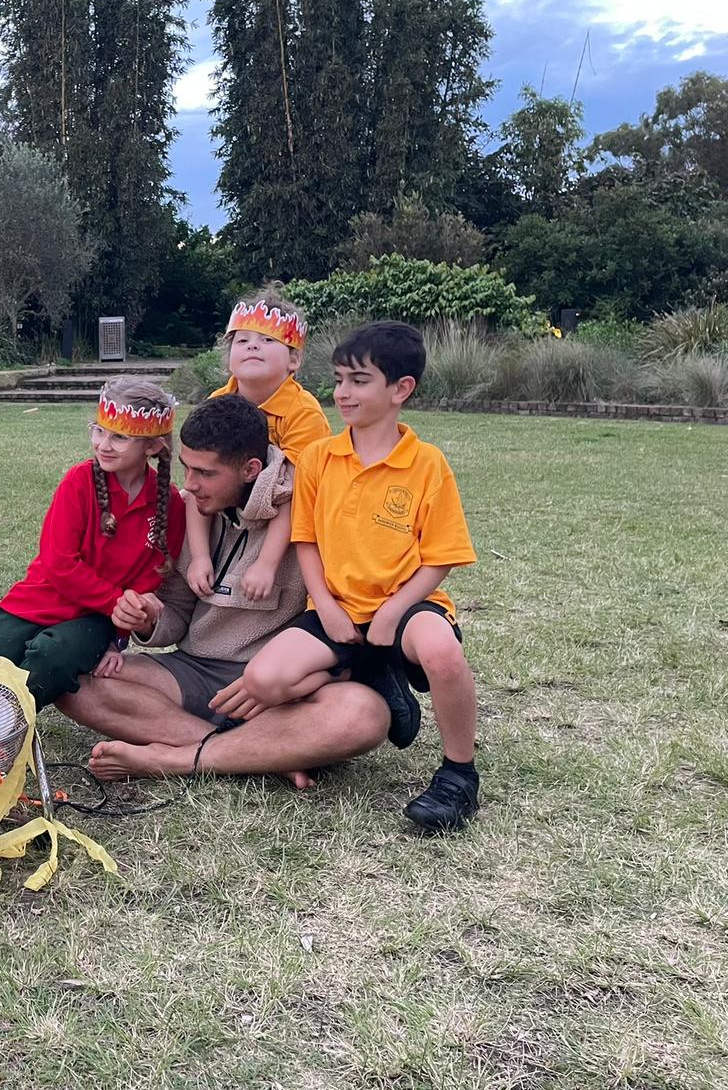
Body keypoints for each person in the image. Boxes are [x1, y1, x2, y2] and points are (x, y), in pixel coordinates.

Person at [62, 395, 399, 785]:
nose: (190, 485)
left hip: (278, 687)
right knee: (73, 683)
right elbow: (176, 612)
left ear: (250, 469)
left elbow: (346, 616)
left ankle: (173, 759)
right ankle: (257, 753)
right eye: (187, 468)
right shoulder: (188, 510)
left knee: (364, 714)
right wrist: (150, 620)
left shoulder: (310, 509)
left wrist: (299, 679)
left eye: (205, 473)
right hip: (194, 671)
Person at [229, 321, 481, 831]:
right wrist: (324, 605)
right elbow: (305, 540)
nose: (342, 392)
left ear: (400, 389)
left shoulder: (427, 464)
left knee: (441, 653)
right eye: (339, 379)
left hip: (405, 606)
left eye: (359, 380)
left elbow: (442, 556)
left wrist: (393, 610)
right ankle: (368, 671)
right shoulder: (319, 457)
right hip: (336, 608)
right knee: (263, 679)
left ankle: (459, 776)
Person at [0, 377, 187, 710]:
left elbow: (150, 578)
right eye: (99, 431)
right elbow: (59, 562)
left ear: (152, 446)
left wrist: (117, 637)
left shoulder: (170, 503)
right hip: (38, 600)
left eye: (120, 436)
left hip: (96, 618)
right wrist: (117, 602)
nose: (104, 444)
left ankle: (2, 722)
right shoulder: (79, 481)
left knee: (51, 659)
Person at [185, 293, 330, 605]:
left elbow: (295, 495)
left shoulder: (304, 415)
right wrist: (199, 557)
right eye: (242, 340)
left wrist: (266, 564)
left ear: (293, 360)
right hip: (230, 507)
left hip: (283, 515)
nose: (253, 346)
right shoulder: (217, 402)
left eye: (267, 339)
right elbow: (198, 479)